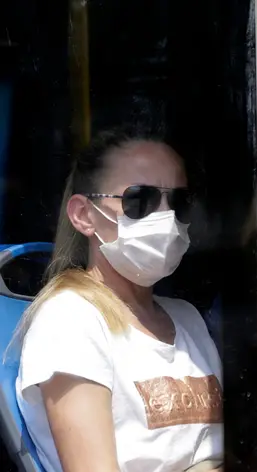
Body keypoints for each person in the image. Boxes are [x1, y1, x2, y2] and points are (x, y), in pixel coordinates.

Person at [8, 131, 223, 472]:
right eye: (140, 200)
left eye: (179, 202)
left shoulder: (187, 319)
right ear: (84, 215)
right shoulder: (69, 321)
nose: (165, 218)